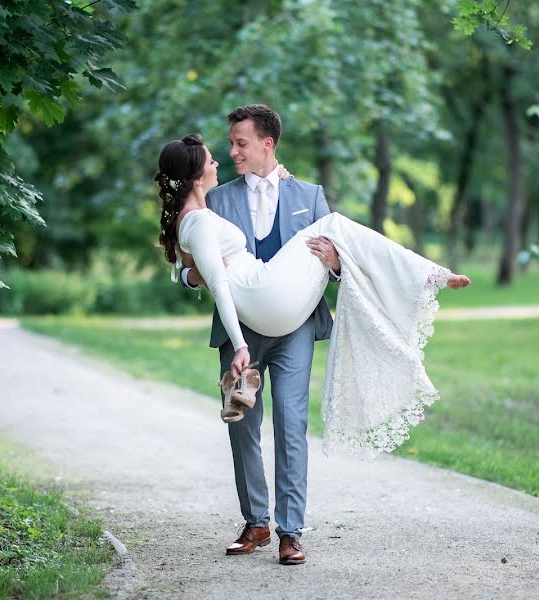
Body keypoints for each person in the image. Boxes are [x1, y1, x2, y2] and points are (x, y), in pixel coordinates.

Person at [155, 106, 469, 566]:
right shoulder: (214, 199)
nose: (232, 150)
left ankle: (290, 531)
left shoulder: (309, 194)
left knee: (292, 424)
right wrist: (194, 278)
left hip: (295, 325)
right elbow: (185, 266)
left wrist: (337, 264)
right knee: (241, 427)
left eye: (241, 142)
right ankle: (255, 522)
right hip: (240, 325)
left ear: (268, 143)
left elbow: (337, 258)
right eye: (230, 144)